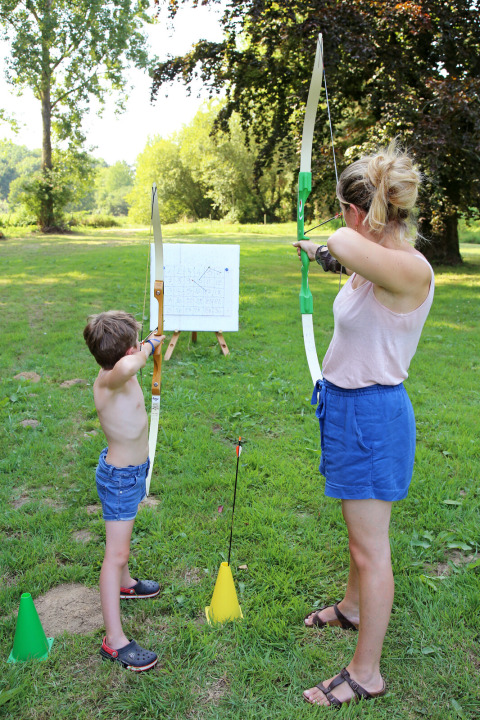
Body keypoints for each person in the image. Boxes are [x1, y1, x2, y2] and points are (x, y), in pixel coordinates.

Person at [293, 142, 434, 708]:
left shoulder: (408, 266)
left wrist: (334, 240)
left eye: (343, 212)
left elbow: (347, 244)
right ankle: (352, 609)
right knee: (358, 537)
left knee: (372, 549)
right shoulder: (372, 260)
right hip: (349, 409)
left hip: (373, 418)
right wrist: (319, 250)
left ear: (358, 214)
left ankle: (366, 672)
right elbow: (345, 254)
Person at [83, 310, 165, 672]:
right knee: (114, 554)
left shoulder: (119, 369)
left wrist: (143, 345)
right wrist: (148, 346)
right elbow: (131, 367)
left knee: (123, 548)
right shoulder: (112, 378)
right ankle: (113, 641)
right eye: (134, 344)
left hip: (131, 473)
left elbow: (131, 364)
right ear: (127, 352)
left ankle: (126, 583)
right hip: (120, 479)